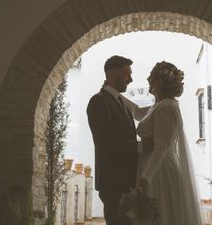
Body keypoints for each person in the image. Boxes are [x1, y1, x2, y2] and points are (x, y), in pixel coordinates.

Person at [135, 61, 203, 225]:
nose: (148, 79)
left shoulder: (165, 107)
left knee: (162, 215)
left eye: (151, 77)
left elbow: (161, 146)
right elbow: (137, 112)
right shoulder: (159, 105)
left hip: (160, 171)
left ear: (158, 82)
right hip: (157, 166)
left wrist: (146, 178)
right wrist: (115, 95)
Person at [86, 55, 152, 225]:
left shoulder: (121, 102)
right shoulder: (98, 101)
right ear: (112, 75)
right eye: (126, 74)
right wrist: (140, 146)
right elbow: (104, 143)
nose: (130, 79)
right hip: (112, 182)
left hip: (125, 179)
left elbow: (138, 114)